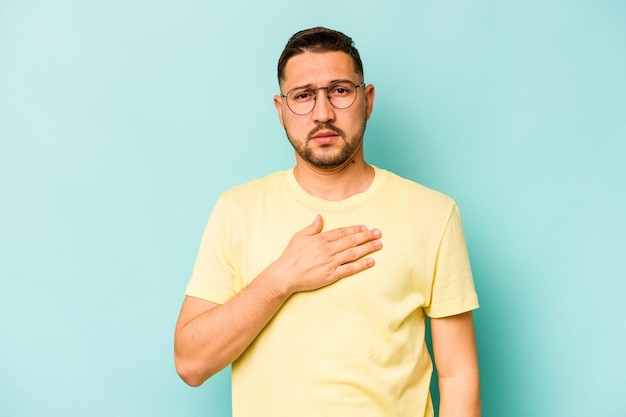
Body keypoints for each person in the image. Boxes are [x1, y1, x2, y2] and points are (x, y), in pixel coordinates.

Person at [174, 27, 481, 417]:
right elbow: (191, 363)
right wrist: (280, 279)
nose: (322, 113)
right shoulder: (237, 210)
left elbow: (457, 375)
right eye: (303, 96)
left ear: (367, 100)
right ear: (280, 109)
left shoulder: (433, 214)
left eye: (339, 90)